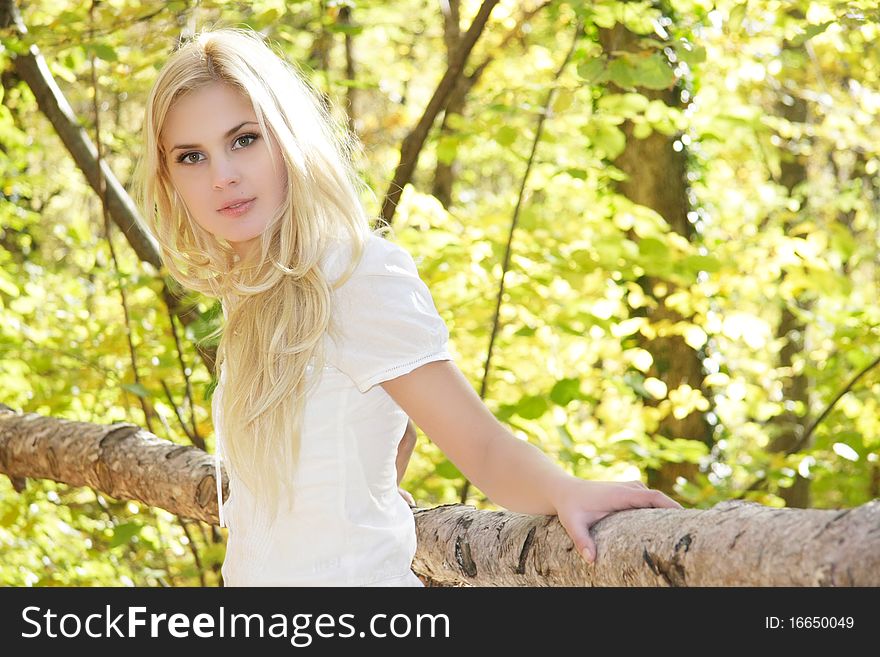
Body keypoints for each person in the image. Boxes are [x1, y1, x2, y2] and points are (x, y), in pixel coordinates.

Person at [133, 27, 681, 587]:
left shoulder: (355, 274)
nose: (222, 175)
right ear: (169, 177)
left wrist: (566, 490)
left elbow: (483, 446)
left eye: (244, 139)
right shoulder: (252, 295)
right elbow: (364, 415)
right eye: (192, 156)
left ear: (287, 138)